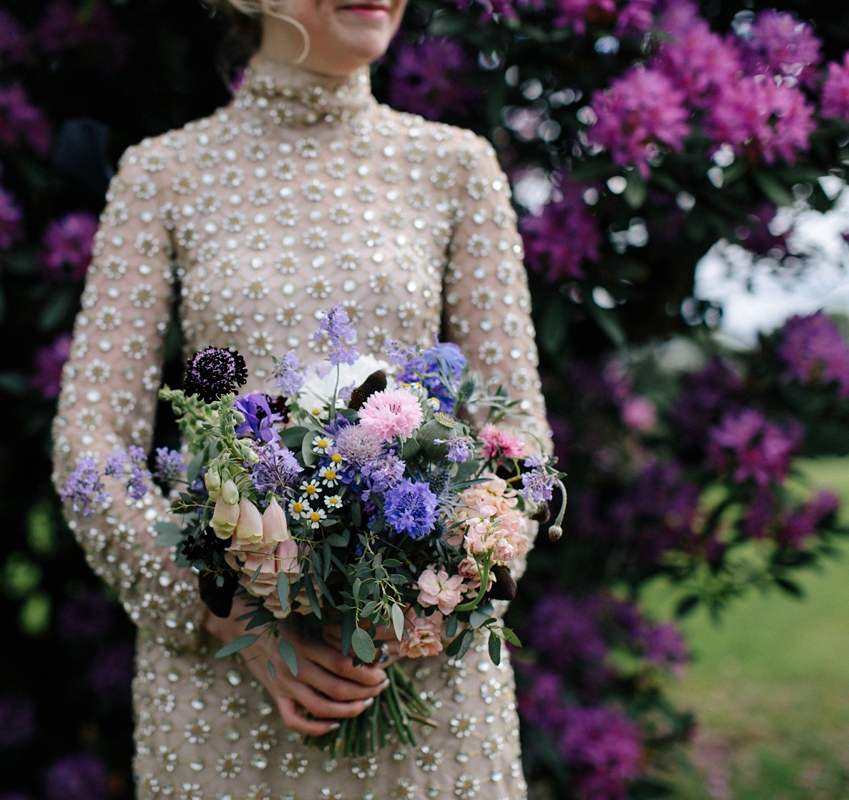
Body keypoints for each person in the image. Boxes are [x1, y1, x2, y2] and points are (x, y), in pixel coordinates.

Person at [51, 1, 551, 796]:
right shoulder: (163, 173)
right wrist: (221, 613)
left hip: (427, 680)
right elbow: (89, 436)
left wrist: (449, 582)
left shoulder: (455, 166)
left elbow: (515, 426)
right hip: (228, 693)